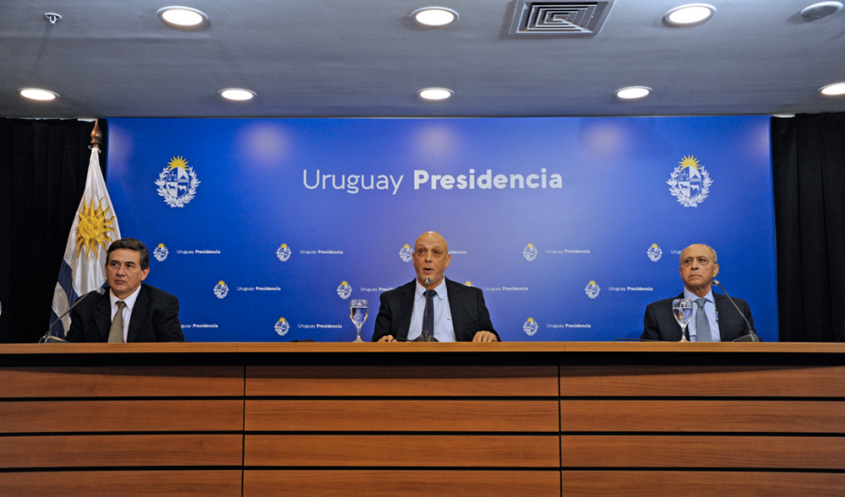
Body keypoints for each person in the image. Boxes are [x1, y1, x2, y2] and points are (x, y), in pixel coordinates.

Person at [373, 231, 500, 343]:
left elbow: (493, 341)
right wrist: (384, 343)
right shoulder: (391, 300)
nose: (428, 258)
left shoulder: (471, 298)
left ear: (447, 260)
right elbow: (376, 346)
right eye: (421, 252)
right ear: (413, 259)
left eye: (436, 253)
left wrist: (488, 337)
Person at [66, 238, 184, 343]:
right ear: (106, 269)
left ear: (143, 273)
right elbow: (71, 352)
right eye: (114, 264)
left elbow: (174, 352)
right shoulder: (85, 304)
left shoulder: (162, 305)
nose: (120, 272)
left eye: (129, 266)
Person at [641, 243, 754, 342]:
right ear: (681, 272)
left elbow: (752, 346)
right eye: (687, 261)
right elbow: (649, 355)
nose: (694, 266)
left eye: (702, 260)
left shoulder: (738, 308)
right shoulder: (657, 312)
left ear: (715, 269)